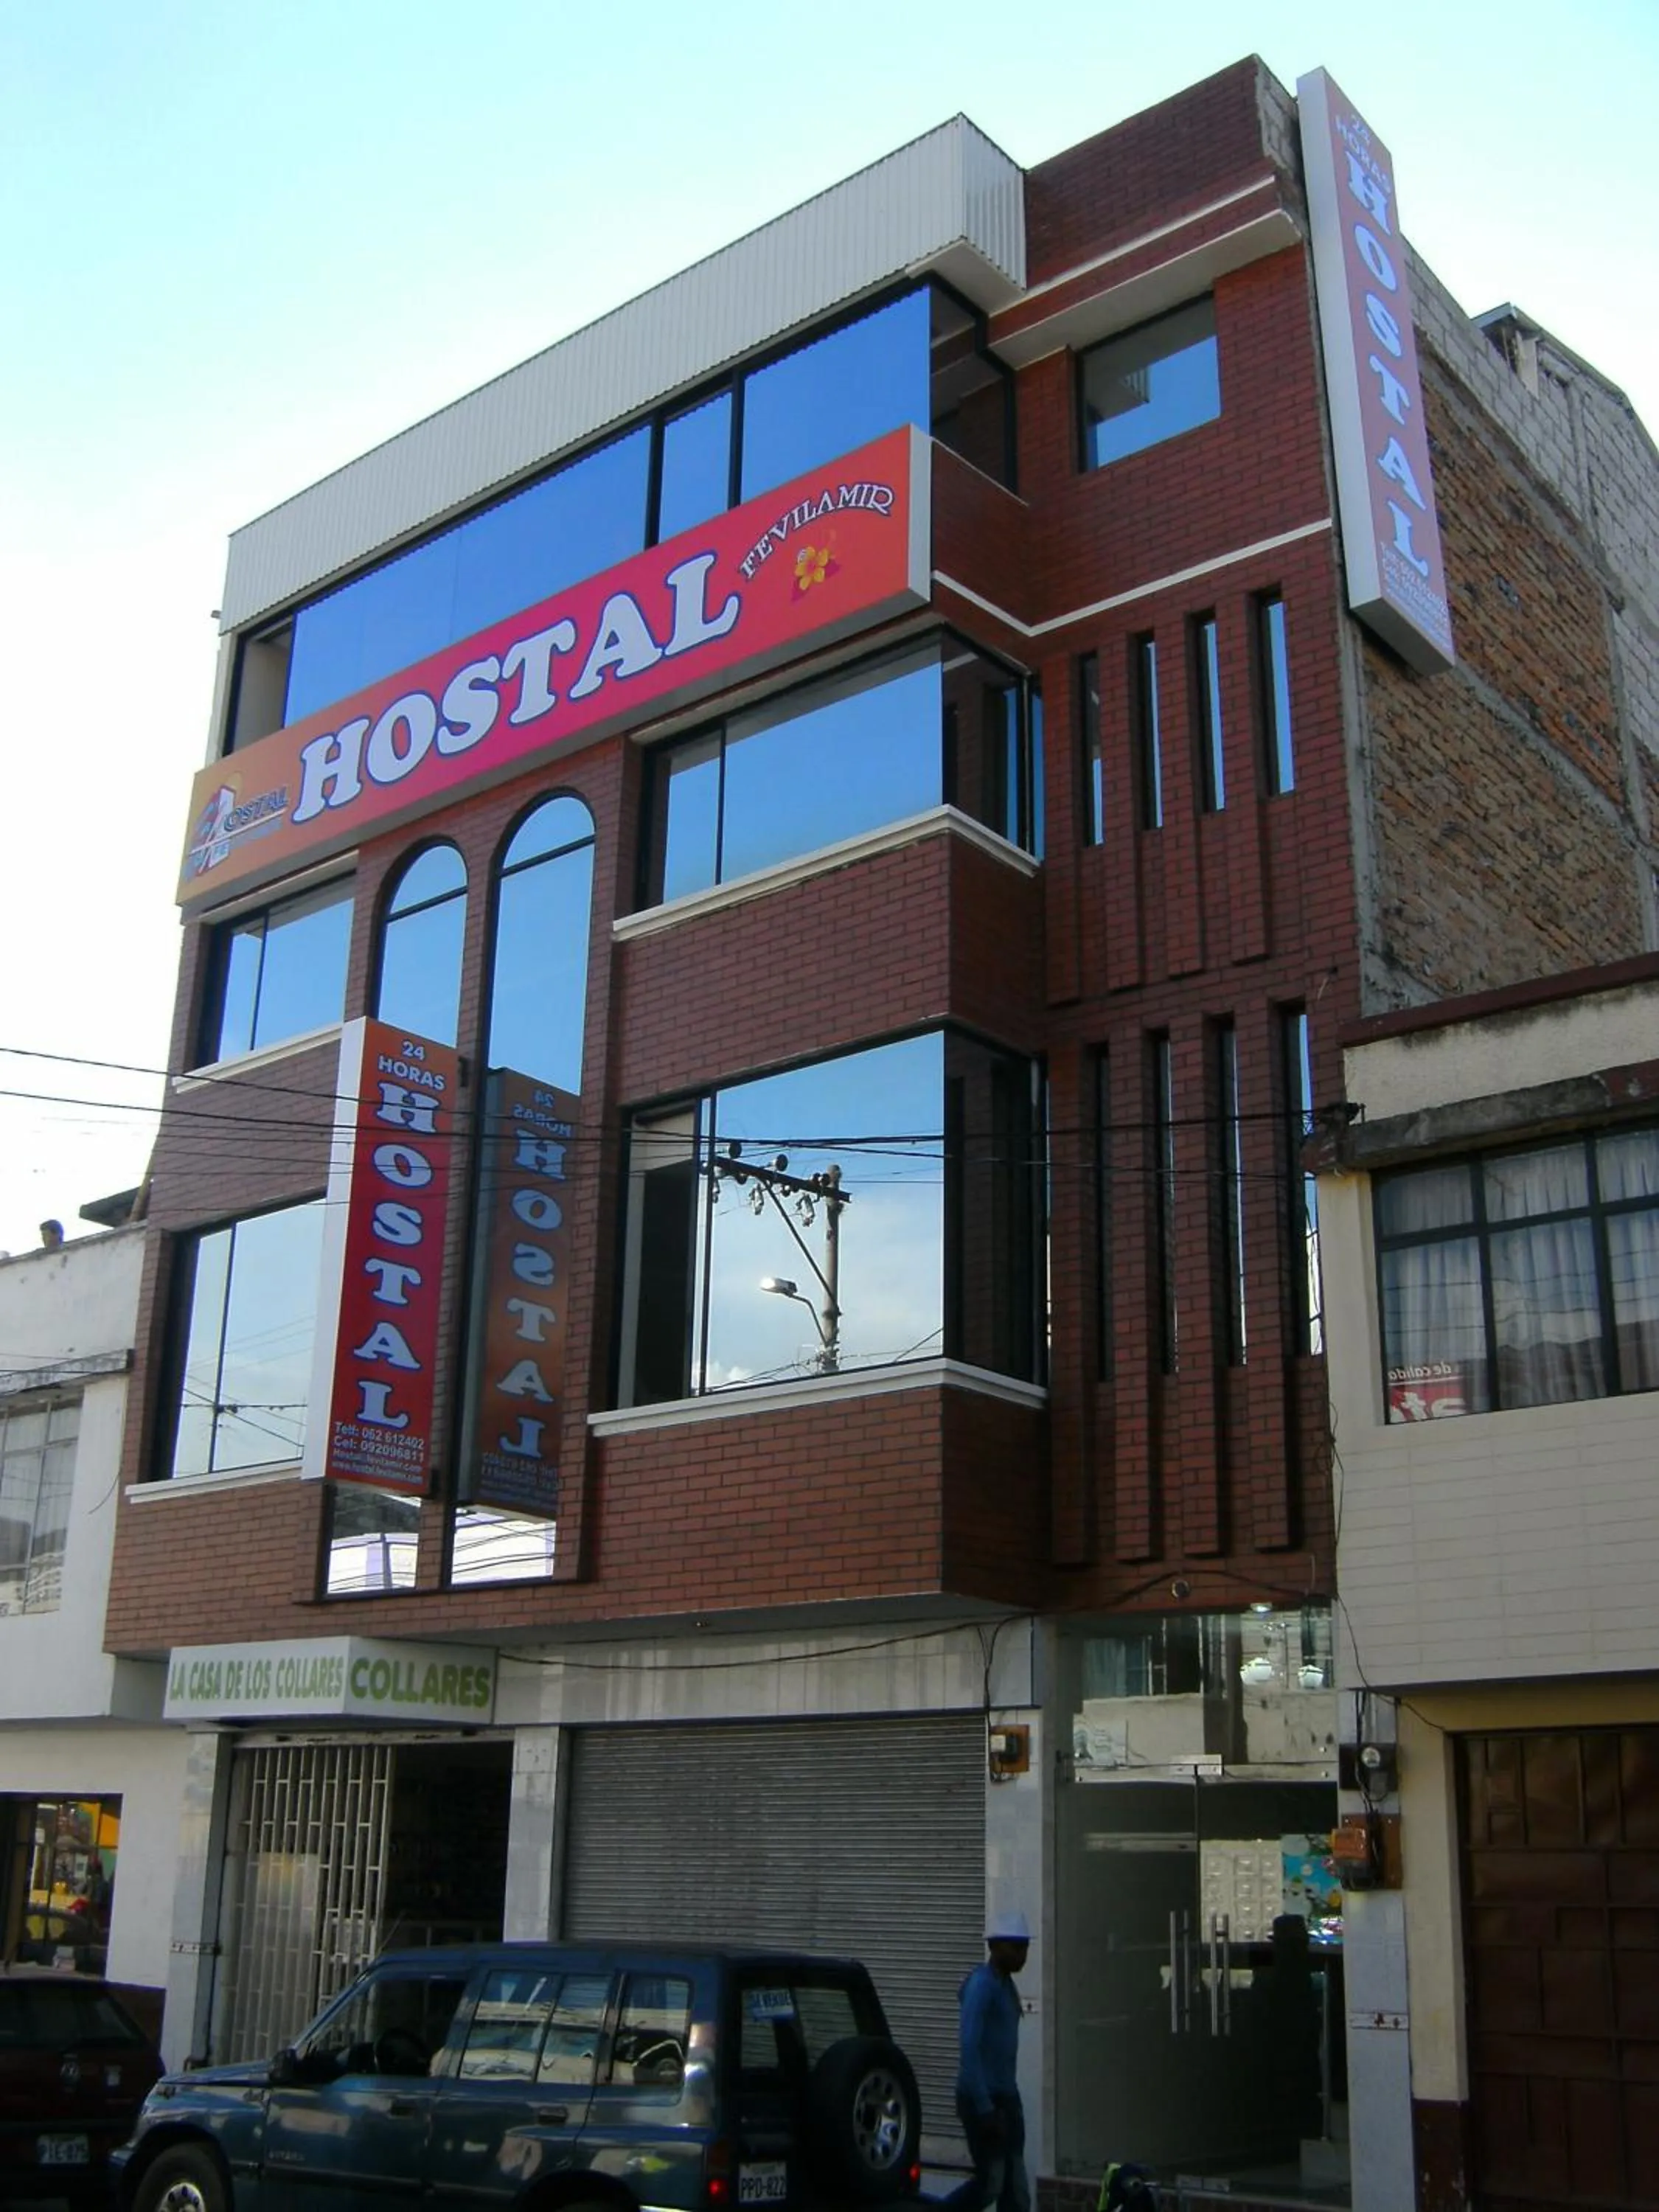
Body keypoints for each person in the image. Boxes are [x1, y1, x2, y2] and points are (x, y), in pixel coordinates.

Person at [945, 1908, 1031, 2212]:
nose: (1022, 1955)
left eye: (1025, 1948)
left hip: (1005, 2098)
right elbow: (969, 2048)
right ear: (995, 1946)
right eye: (1016, 1947)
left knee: (1015, 2188)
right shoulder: (983, 1985)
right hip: (984, 2100)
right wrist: (985, 2109)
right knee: (991, 2183)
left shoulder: (1006, 1985)